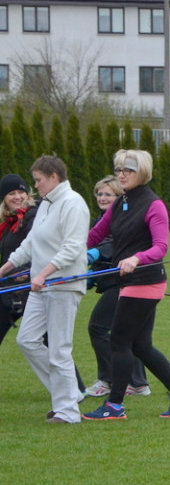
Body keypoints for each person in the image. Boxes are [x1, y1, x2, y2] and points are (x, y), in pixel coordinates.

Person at [82, 150, 170, 420]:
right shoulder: (120, 202)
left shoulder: (153, 204)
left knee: (119, 341)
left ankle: (114, 406)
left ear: (142, 172)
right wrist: (68, 254)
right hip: (128, 281)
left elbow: (161, 247)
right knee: (140, 346)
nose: (121, 174)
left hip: (146, 280)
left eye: (128, 170)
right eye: (119, 169)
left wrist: (136, 257)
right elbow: (95, 235)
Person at [0, 156, 90, 424]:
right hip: (41, 287)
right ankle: (68, 395)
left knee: (60, 349)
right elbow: (29, 244)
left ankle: (68, 412)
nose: (34, 186)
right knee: (26, 340)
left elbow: (73, 248)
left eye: (38, 180)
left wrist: (43, 273)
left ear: (53, 177)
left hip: (63, 284)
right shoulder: (45, 205)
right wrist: (4, 269)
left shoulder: (73, 203)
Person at [82, 175, 150, 397]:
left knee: (98, 327)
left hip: (125, 282)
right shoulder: (99, 220)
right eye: (99, 193)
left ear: (119, 197)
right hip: (111, 282)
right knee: (130, 334)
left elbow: (116, 244)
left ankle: (109, 379)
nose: (102, 198)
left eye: (107, 194)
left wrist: (97, 253)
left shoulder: (123, 218)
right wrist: (89, 276)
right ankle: (138, 382)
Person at [0, 174, 37, 348]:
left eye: (20, 192)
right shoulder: (8, 222)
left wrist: (22, 272)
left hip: (29, 289)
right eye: (11, 193)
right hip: (9, 289)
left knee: (49, 345)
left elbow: (36, 249)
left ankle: (71, 377)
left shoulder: (32, 217)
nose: (17, 197)